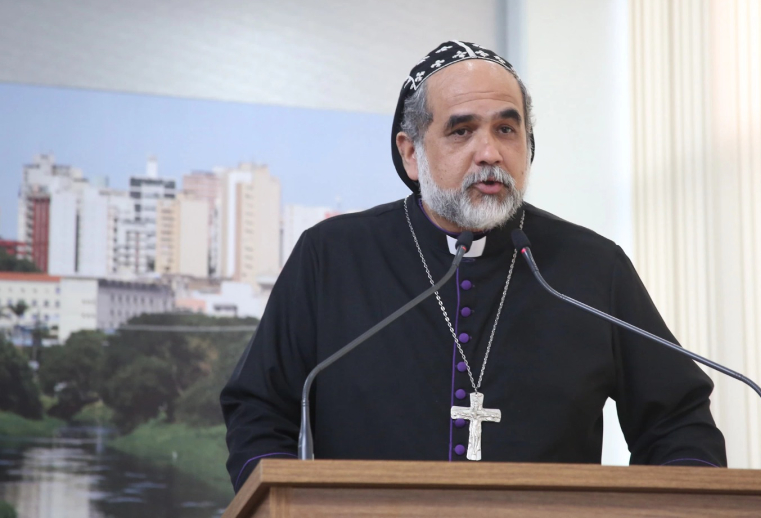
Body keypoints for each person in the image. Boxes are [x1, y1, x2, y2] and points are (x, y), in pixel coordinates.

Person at [221, 40, 726, 492]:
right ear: (411, 153)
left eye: (506, 129)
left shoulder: (592, 266)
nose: (489, 152)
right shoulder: (330, 256)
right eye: (462, 131)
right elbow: (259, 410)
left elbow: (679, 424)